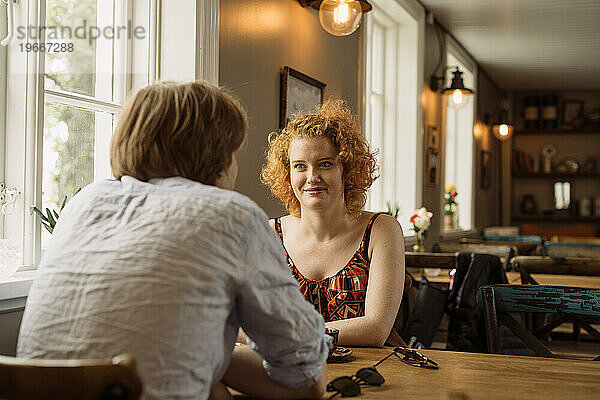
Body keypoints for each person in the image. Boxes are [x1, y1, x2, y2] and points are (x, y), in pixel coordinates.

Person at [17, 81, 330, 400]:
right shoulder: (232, 215)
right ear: (217, 157)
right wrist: (216, 355)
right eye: (233, 152)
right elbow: (303, 373)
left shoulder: (84, 202)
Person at [261, 99, 405, 347]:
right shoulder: (269, 233)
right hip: (292, 371)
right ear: (287, 173)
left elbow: (376, 329)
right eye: (300, 166)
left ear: (346, 169)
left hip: (373, 373)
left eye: (325, 164)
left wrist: (289, 334)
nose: (312, 177)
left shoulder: (381, 230)